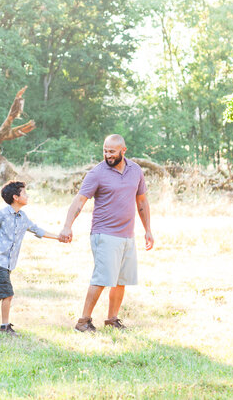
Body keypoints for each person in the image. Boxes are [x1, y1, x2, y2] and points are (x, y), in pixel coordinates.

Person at [59, 134, 153, 332]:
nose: (107, 155)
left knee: (121, 281)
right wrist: (68, 225)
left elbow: (142, 201)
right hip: (105, 234)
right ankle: (83, 321)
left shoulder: (135, 170)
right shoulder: (97, 173)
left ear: (123, 150)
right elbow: (79, 200)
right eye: (105, 150)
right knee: (102, 278)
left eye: (112, 151)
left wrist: (148, 230)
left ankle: (112, 319)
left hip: (127, 235)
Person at [0, 181, 61, 336]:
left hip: (8, 263)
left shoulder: (23, 217)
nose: (27, 195)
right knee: (8, 294)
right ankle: (5, 327)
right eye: (24, 193)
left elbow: (37, 230)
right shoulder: (2, 214)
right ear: (16, 197)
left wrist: (58, 237)